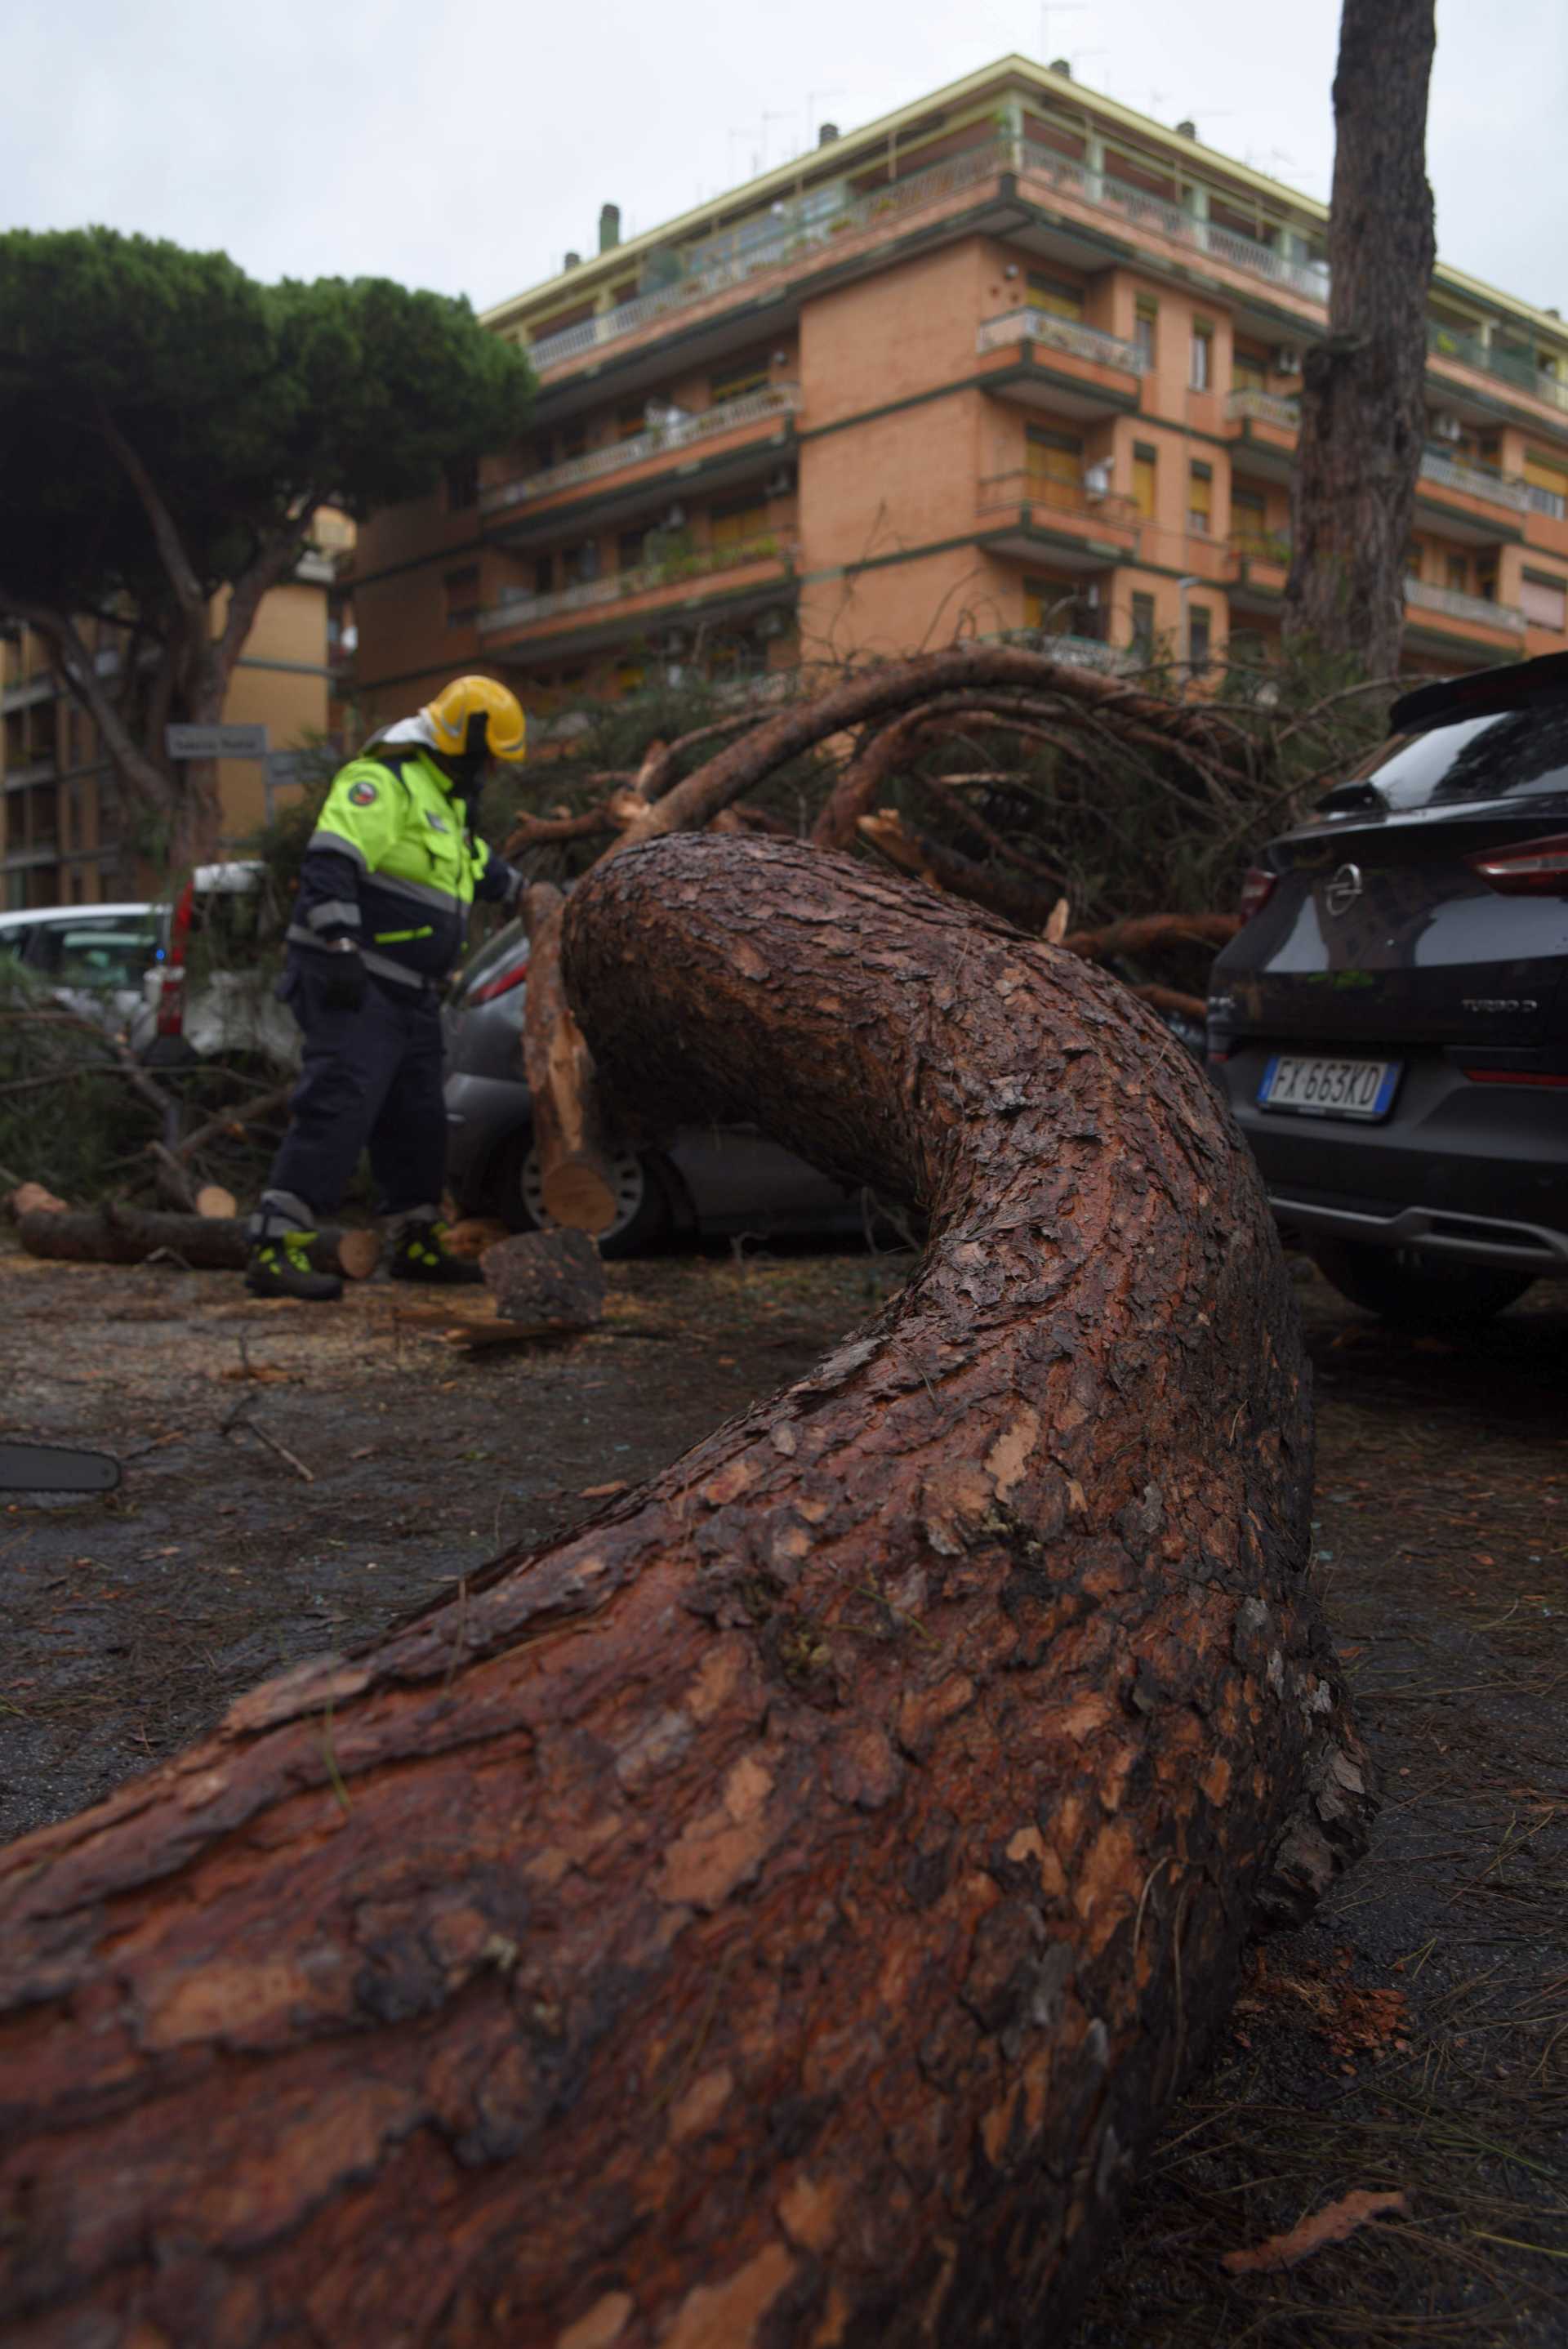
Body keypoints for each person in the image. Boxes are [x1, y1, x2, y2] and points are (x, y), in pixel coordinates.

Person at [245, 676, 529, 1301]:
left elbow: (472, 866)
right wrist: (342, 949)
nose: (491, 771)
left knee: (418, 1118)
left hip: (412, 991)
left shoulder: (443, 802)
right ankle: (275, 1246)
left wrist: (526, 890)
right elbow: (328, 864)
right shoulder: (385, 782)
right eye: (488, 757)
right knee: (339, 1104)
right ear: (464, 742)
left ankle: (416, 1241)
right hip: (355, 983)